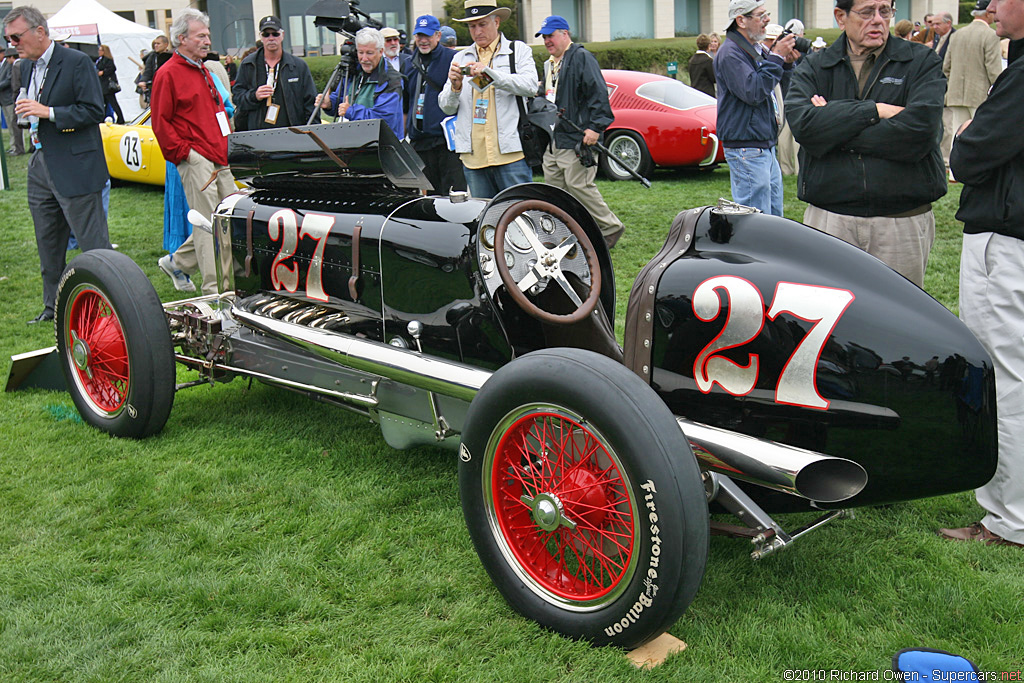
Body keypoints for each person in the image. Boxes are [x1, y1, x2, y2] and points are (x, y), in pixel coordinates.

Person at [938, 0, 1024, 550]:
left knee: (1006, 379)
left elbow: (967, 157)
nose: (992, 6)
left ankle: (1009, 521)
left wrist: (970, 135)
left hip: (1006, 242)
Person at [785, 0, 947, 288]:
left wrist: (834, 126)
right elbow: (806, 128)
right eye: (867, 12)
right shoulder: (816, 66)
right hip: (830, 220)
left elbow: (920, 133)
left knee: (897, 320)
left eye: (885, 11)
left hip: (900, 222)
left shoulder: (921, 62)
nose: (878, 20)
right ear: (841, 17)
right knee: (830, 321)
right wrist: (875, 111)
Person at [4, 5, 111, 324]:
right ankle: (52, 307)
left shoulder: (76, 62)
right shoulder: (23, 66)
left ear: (40, 31)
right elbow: (28, 105)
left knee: (93, 246)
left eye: (16, 36)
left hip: (76, 165)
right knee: (47, 242)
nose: (12, 44)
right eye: (8, 38)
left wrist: (48, 112)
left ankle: (107, 304)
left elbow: (94, 111)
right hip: (40, 163)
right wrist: (28, 118)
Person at [151, 8, 236, 295]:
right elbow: (160, 122)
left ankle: (177, 262)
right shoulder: (168, 74)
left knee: (228, 217)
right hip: (197, 158)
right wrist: (186, 155)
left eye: (207, 35)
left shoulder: (204, 69)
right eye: (201, 35)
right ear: (181, 38)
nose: (207, 40)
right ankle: (214, 290)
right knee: (207, 223)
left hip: (219, 156)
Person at [536, 15, 625, 248]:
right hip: (554, 138)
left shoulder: (582, 58)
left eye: (551, 35)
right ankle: (568, 233)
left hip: (577, 139)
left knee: (580, 187)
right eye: (544, 36)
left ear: (565, 34)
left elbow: (598, 94)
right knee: (554, 190)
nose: (547, 40)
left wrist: (595, 127)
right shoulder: (549, 64)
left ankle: (610, 228)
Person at [438, 0, 539, 199]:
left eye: (482, 24)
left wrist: (490, 74)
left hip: (510, 155)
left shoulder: (518, 50)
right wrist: (455, 88)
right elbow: (446, 108)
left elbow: (530, 86)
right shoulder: (460, 57)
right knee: (486, 221)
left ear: (497, 22)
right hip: (473, 157)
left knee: (521, 216)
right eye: (472, 26)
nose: (477, 31)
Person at [714, 0, 798, 216]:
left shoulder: (753, 49)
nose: (767, 20)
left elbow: (772, 87)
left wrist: (785, 64)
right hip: (747, 147)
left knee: (773, 218)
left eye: (766, 14)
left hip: (762, 144)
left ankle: (772, 251)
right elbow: (753, 91)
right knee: (754, 220)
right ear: (741, 20)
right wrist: (776, 57)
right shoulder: (731, 53)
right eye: (761, 16)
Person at [403, 14, 465, 193]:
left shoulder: (453, 59)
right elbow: (406, 105)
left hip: (447, 145)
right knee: (430, 202)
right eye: (419, 36)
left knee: (454, 198)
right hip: (419, 143)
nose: (423, 40)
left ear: (438, 36)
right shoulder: (408, 63)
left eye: (428, 36)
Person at [942, 0, 1002, 177]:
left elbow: (946, 66)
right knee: (981, 134)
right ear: (987, 14)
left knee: (956, 133)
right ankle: (979, 170)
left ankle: (954, 172)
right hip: (979, 93)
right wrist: (999, 91)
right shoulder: (990, 35)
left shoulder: (957, 34)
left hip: (955, 92)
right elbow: (993, 69)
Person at [233, 15, 317, 132]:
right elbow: (237, 97)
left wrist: (311, 133)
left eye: (275, 34)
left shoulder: (298, 66)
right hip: (257, 134)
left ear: (282, 35)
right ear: (261, 37)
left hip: (292, 132)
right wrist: (254, 96)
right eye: (266, 35)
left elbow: (311, 102)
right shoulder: (248, 64)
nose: (271, 38)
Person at [317, 27, 404, 138]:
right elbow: (341, 102)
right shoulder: (353, 71)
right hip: (353, 142)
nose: (364, 58)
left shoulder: (391, 80)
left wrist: (351, 111)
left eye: (369, 53)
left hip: (382, 146)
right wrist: (329, 104)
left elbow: (383, 121)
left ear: (381, 51)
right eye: (360, 52)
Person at [1, 46, 26, 156]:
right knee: (10, 124)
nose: (7, 60)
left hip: (10, 98)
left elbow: (10, 81)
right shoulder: (7, 65)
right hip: (4, 100)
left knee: (14, 124)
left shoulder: (14, 65)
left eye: (8, 57)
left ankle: (18, 147)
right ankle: (14, 146)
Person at [95, 44, 123, 124]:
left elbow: (112, 68)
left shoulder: (108, 60)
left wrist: (103, 72)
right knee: (104, 103)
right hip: (103, 85)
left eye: (100, 50)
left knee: (113, 103)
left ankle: (120, 118)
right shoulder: (100, 60)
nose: (99, 52)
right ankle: (102, 118)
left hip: (107, 86)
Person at [139, 34, 171, 104]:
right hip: (155, 87)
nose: (156, 45)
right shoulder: (152, 57)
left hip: (168, 87)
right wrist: (143, 81)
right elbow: (148, 70)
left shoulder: (171, 56)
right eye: (155, 43)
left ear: (166, 45)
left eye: (158, 43)